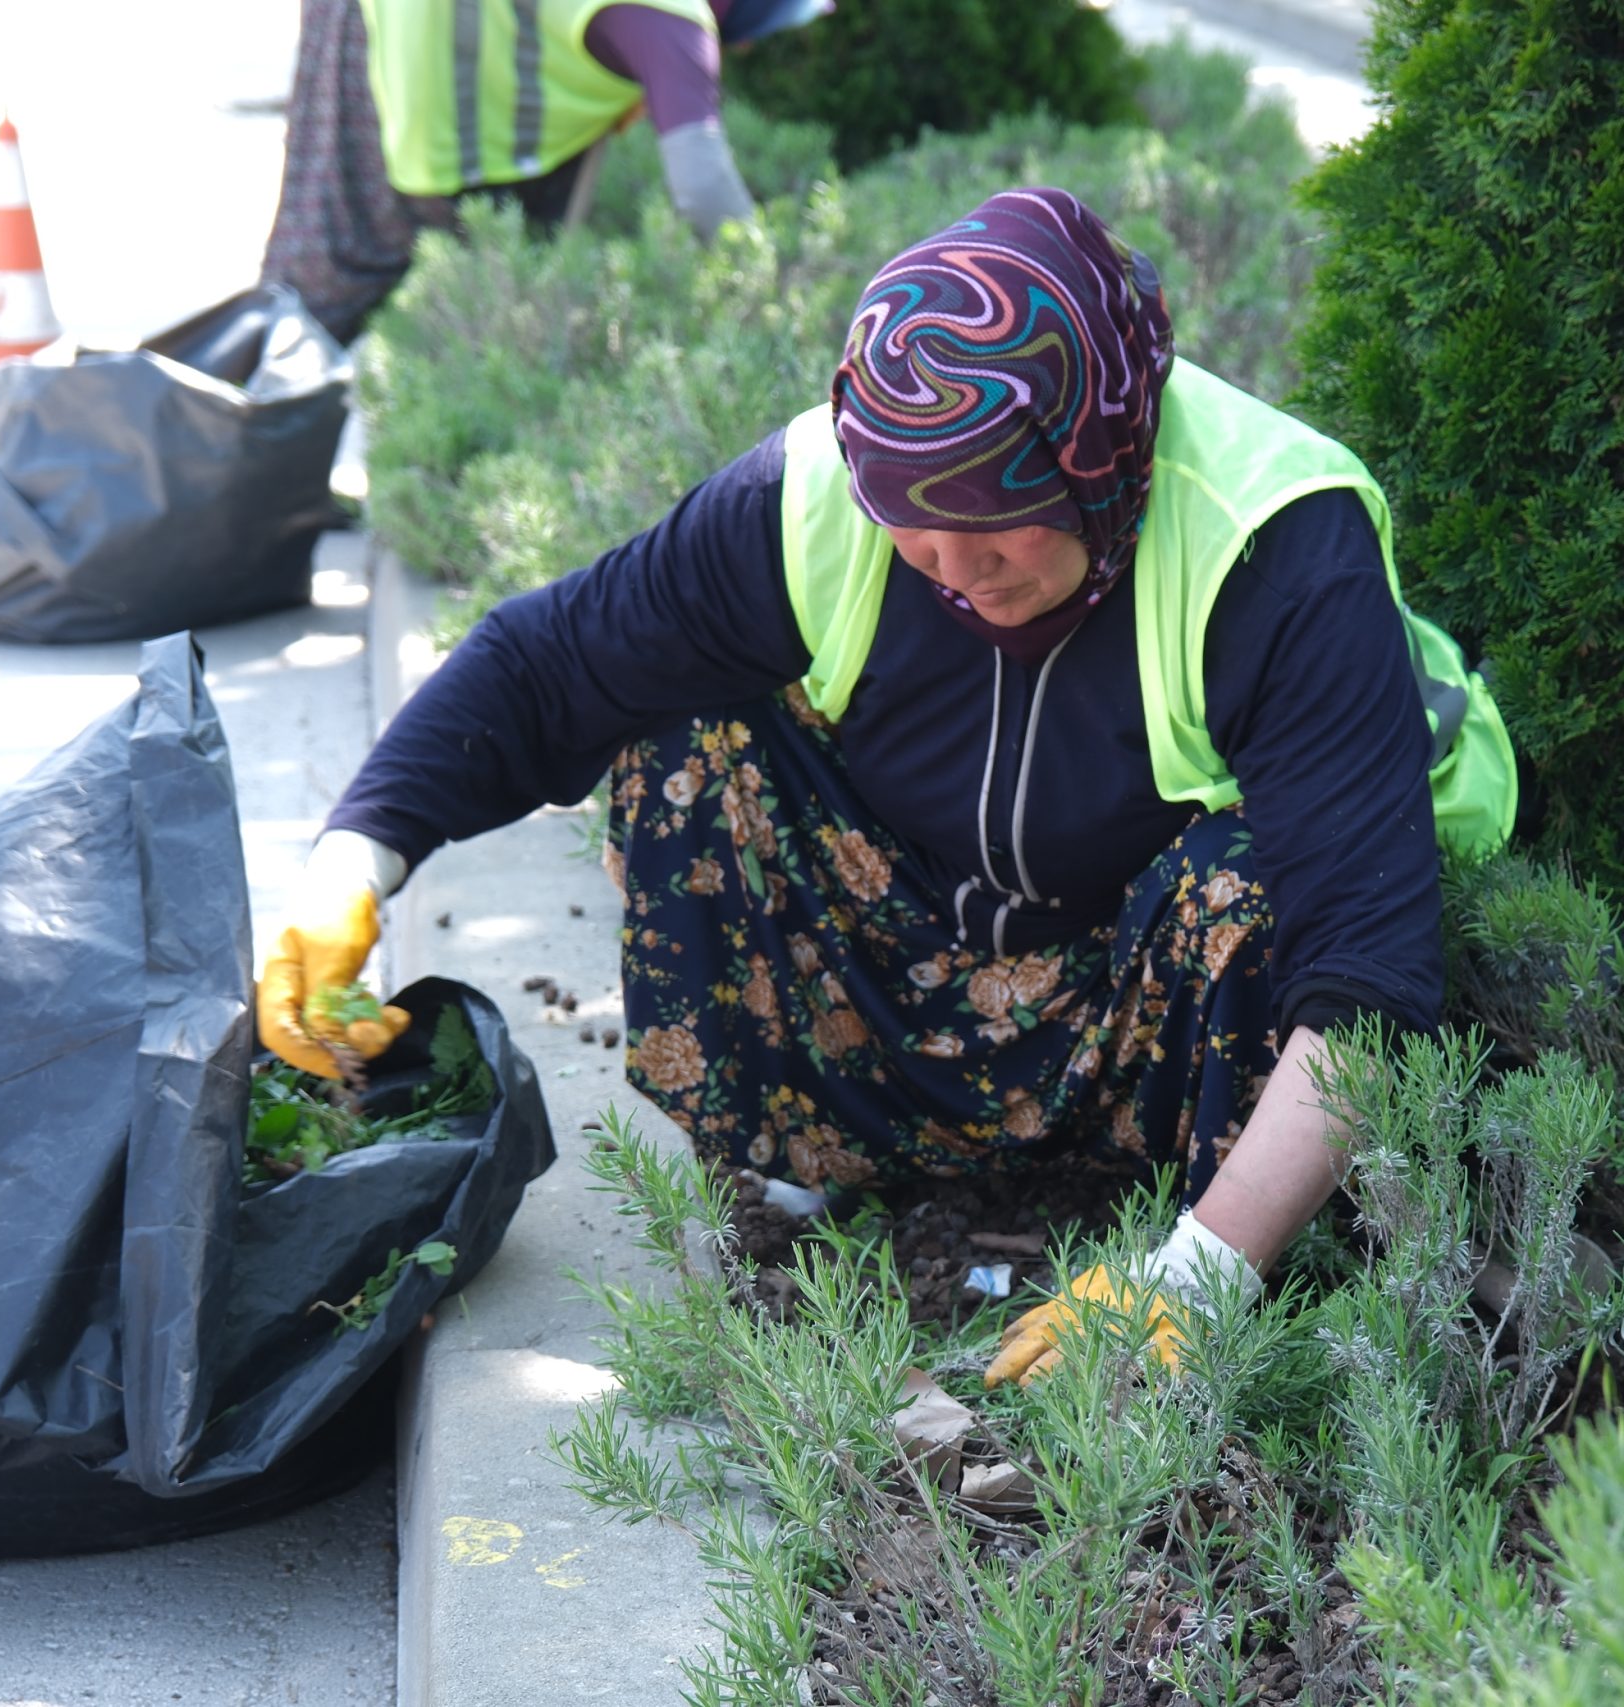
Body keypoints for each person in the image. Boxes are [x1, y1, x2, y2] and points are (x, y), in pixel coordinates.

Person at [257, 188, 1518, 1382]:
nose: (956, 570)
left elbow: (1367, 982)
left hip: (1148, 1028)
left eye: (997, 524)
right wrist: (350, 865)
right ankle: (822, 1176)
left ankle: (1176, 1233)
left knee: (1249, 890)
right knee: (692, 738)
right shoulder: (815, 498)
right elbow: (548, 666)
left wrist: (1201, 1278)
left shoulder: (1273, 549)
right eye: (915, 531)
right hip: (931, 974)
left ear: (1099, 462)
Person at [261, 0, 827, 342]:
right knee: (329, 270)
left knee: (340, 270)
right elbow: (703, 185)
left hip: (426, 42)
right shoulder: (674, 26)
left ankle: (261, 466)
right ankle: (218, 456)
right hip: (392, 34)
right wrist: (772, 293)